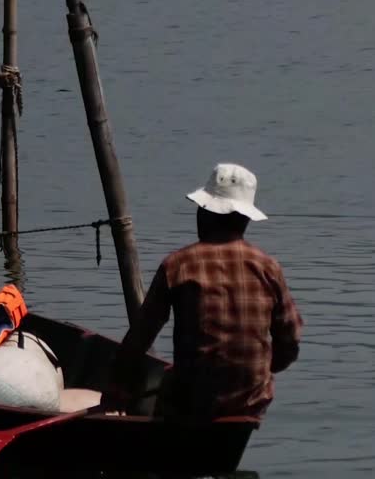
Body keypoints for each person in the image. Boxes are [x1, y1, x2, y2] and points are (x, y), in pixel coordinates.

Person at [102, 163, 302, 420]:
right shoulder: (268, 268)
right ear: (244, 220)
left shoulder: (177, 265)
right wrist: (262, 370)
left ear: (205, 214)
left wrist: (116, 389)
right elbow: (290, 342)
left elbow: (141, 336)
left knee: (164, 391)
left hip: (192, 402)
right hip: (249, 402)